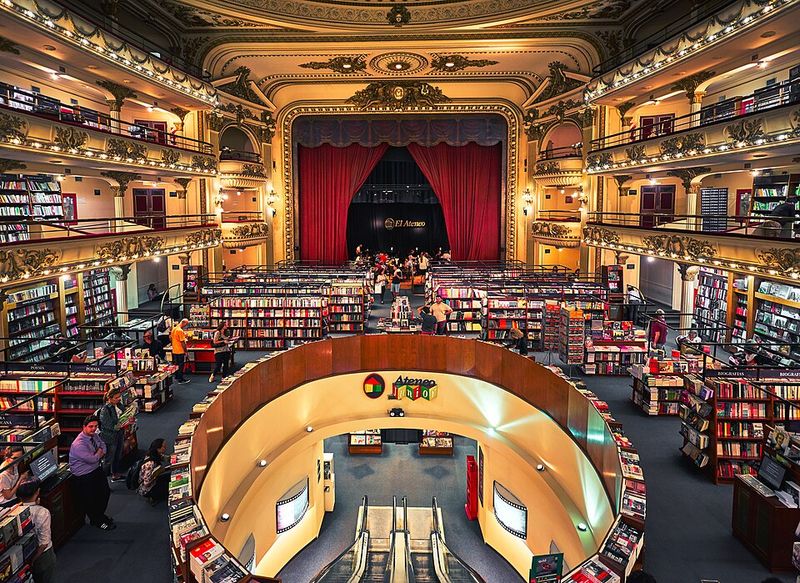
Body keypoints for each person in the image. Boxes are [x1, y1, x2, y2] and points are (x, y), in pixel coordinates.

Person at [68, 415, 114, 531]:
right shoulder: (78, 444)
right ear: (84, 427)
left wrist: (98, 452)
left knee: (105, 492)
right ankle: (97, 520)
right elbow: (92, 459)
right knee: (92, 499)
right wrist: (99, 452)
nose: (93, 429)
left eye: (96, 426)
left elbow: (104, 446)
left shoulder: (94, 436)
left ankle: (100, 515)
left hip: (95, 470)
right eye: (90, 426)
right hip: (84, 476)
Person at [16, 479, 56, 583]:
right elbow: (44, 543)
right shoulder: (42, 512)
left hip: (23, 555)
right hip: (43, 556)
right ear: (37, 492)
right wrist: (33, 560)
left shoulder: (15, 512)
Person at [99, 388, 125, 482]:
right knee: (109, 458)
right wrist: (119, 426)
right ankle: (103, 479)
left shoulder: (118, 405)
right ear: (109, 398)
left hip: (119, 434)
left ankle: (115, 474)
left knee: (117, 455)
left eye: (119, 397)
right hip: (110, 437)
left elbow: (124, 413)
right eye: (116, 398)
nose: (118, 399)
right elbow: (108, 425)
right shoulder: (105, 410)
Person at [138, 438, 171, 504]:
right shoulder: (150, 463)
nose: (165, 448)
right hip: (148, 488)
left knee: (170, 476)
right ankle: (153, 496)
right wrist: (157, 473)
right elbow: (146, 483)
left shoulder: (156, 454)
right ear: (158, 449)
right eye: (163, 447)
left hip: (155, 479)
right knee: (169, 487)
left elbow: (167, 458)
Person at [171, 318, 190, 384]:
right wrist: (186, 351)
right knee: (181, 365)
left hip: (174, 350)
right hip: (180, 350)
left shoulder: (174, 329)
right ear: (183, 323)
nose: (186, 326)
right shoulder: (180, 331)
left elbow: (170, 338)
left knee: (176, 365)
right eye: (186, 324)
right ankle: (180, 379)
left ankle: (176, 377)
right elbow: (182, 342)